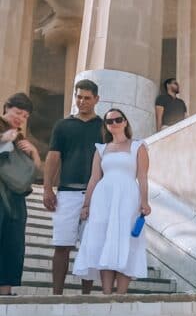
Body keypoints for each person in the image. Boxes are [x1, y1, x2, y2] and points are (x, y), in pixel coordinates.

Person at [74, 108, 150, 295]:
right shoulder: (101, 149)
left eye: (118, 119)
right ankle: (106, 294)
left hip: (128, 198)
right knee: (103, 240)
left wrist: (145, 201)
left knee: (125, 240)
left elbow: (142, 176)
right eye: (110, 121)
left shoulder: (138, 146)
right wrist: (86, 204)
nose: (114, 123)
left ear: (125, 122)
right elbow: (94, 178)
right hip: (103, 198)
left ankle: (121, 295)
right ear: (106, 126)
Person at [43, 78, 103, 295]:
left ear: (96, 99)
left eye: (87, 98)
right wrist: (47, 188)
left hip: (95, 196)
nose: (82, 101)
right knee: (61, 246)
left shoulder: (104, 127)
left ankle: (86, 296)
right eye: (79, 97)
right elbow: (53, 157)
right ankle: (56, 295)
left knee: (90, 247)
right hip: (66, 193)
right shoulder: (63, 125)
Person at [0, 93, 41, 296]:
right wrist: (2, 139)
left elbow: (34, 170)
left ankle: (5, 292)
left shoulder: (20, 137)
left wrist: (34, 152)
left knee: (12, 243)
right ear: (6, 108)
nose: (20, 118)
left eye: (25, 116)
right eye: (18, 112)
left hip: (15, 198)